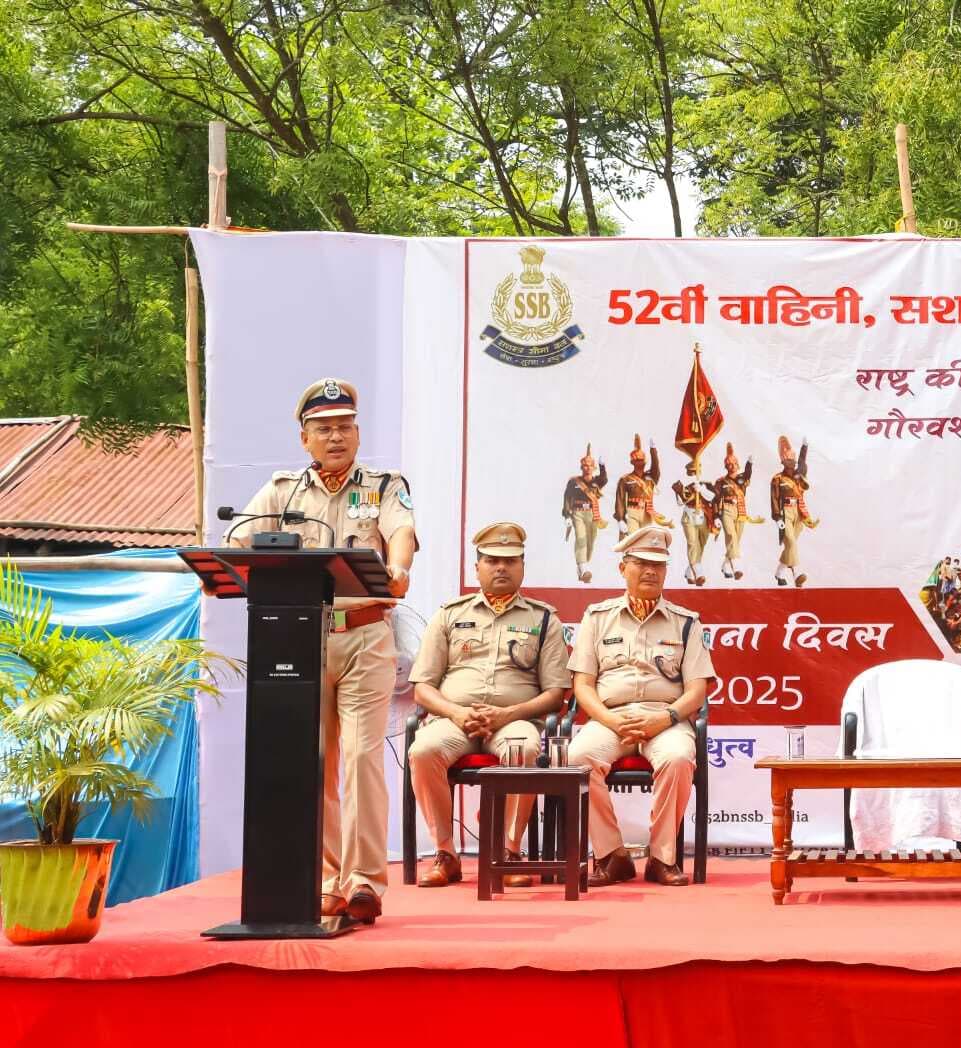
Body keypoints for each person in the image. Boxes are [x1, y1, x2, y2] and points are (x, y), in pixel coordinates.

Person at [230, 377, 418, 923]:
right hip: (299, 638)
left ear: (357, 432)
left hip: (364, 634)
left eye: (345, 426)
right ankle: (329, 879)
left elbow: (401, 531)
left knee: (361, 758)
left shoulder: (383, 485)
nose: (336, 437)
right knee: (315, 762)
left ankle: (364, 882)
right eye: (324, 429)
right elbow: (239, 541)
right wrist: (230, 563)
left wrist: (399, 567)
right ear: (304, 438)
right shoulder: (283, 491)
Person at [407, 523, 572, 889]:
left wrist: (507, 714)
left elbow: (555, 694)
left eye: (510, 561)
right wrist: (456, 712)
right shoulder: (449, 615)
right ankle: (445, 853)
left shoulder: (544, 619)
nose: (501, 567)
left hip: (513, 719)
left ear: (522, 567)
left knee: (526, 748)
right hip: (455, 718)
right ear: (477, 567)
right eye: (493, 560)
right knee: (422, 750)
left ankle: (508, 852)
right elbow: (422, 688)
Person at [568, 526, 716, 886]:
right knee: (577, 759)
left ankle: (661, 858)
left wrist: (664, 717)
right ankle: (611, 855)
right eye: (640, 563)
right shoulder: (597, 617)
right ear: (623, 568)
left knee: (679, 758)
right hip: (610, 717)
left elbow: (697, 689)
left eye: (658, 565)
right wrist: (609, 720)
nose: (650, 571)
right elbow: (582, 685)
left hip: (665, 718)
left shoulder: (685, 622)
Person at [770, 435, 817, 586]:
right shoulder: (777, 479)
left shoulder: (798, 475)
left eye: (793, 460)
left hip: (798, 512)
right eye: (788, 460)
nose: (792, 463)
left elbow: (803, 462)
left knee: (791, 546)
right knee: (790, 542)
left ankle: (779, 573)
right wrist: (777, 518)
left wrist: (804, 447)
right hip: (785, 512)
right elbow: (774, 499)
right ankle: (797, 575)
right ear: (783, 462)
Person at [711, 442, 761, 579]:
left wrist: (749, 463)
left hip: (740, 510)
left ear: (738, 464)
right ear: (725, 466)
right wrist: (716, 516)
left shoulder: (742, 479)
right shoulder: (721, 482)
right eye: (728, 464)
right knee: (731, 536)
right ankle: (736, 566)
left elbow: (748, 474)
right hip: (726, 510)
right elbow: (715, 499)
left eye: (733, 463)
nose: (731, 466)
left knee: (736, 540)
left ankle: (726, 565)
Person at [561, 445, 607, 583]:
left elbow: (604, 479)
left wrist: (602, 465)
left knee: (590, 541)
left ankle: (581, 568)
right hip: (578, 513)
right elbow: (567, 498)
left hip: (592, 514)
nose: (587, 468)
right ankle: (583, 567)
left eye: (590, 465)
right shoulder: (574, 482)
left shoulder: (597, 481)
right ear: (581, 467)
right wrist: (567, 516)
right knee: (581, 538)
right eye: (585, 465)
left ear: (593, 467)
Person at [670, 461, 718, 587]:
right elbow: (681, 503)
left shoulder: (707, 485)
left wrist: (701, 490)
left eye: (695, 471)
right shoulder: (686, 487)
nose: (693, 474)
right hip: (689, 516)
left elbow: (713, 498)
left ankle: (689, 572)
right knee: (692, 543)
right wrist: (678, 492)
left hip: (704, 517)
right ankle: (699, 573)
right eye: (690, 472)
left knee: (700, 546)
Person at [615, 434, 671, 536]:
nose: (640, 462)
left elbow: (656, 467)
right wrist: (620, 519)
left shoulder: (651, 477)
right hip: (632, 512)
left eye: (642, 460)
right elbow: (620, 500)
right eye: (637, 460)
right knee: (633, 540)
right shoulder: (625, 479)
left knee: (645, 542)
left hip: (647, 512)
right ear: (632, 462)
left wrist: (653, 450)